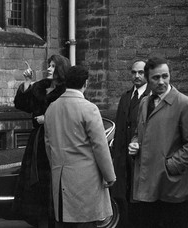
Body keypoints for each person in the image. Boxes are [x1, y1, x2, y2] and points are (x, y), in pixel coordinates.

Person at [129, 57, 188, 228]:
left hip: (173, 187)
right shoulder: (144, 103)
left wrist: (170, 166)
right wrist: (135, 144)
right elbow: (138, 133)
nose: (161, 81)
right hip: (148, 186)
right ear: (148, 79)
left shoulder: (185, 104)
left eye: (165, 76)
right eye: (156, 78)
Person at [44, 65, 116, 228]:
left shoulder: (51, 109)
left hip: (60, 179)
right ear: (86, 83)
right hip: (85, 182)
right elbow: (100, 146)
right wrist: (110, 176)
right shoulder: (89, 108)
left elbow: (48, 145)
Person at [13, 54, 71, 228]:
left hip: (55, 142)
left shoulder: (66, 92)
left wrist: (48, 119)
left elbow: (69, 116)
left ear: (60, 70)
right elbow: (23, 105)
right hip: (37, 143)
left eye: (53, 66)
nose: (49, 69)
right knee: (35, 185)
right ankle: (40, 221)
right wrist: (28, 82)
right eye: (49, 65)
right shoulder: (40, 87)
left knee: (51, 185)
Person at [111, 60, 150, 228]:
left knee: (141, 206)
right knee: (123, 202)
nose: (137, 76)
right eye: (134, 72)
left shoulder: (151, 97)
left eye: (141, 72)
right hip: (123, 160)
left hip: (141, 160)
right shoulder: (126, 97)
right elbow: (119, 128)